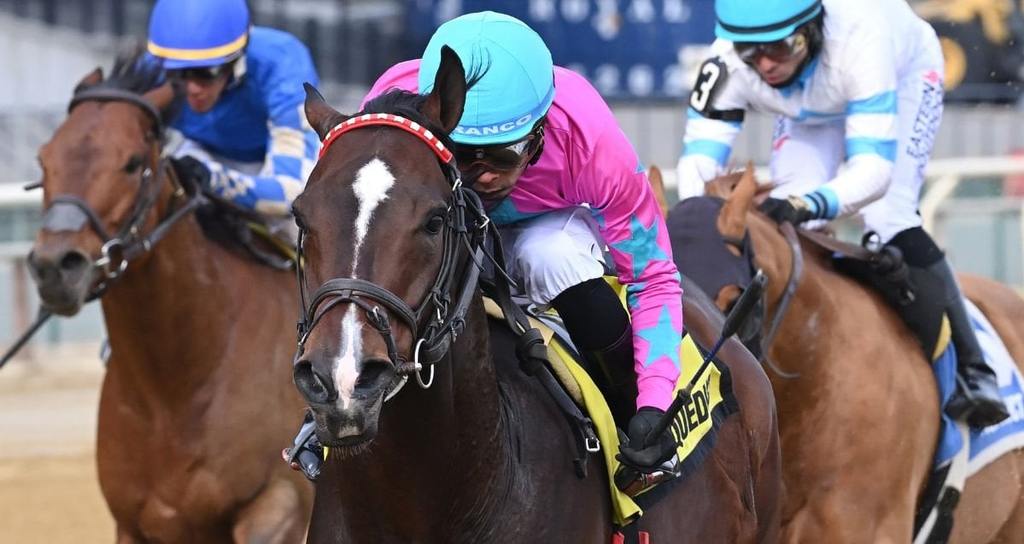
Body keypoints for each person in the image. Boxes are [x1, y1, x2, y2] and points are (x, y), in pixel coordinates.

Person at [287, 11, 685, 479]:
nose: (484, 175)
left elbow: (653, 276)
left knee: (549, 256)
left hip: (546, 233)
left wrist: (654, 401)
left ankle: (627, 412)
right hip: (447, 224)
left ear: (539, 134)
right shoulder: (393, 100)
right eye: (462, 154)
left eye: (503, 155)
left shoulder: (591, 141)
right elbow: (361, 235)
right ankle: (331, 406)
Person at [675, 0, 1008, 427]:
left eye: (780, 47)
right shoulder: (727, 60)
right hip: (810, 104)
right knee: (787, 228)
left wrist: (809, 203)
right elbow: (697, 165)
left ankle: (975, 370)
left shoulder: (860, 44)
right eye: (751, 52)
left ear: (813, 29)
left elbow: (874, 173)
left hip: (902, 75)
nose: (766, 64)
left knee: (887, 219)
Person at [146, 0, 319, 222]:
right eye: (177, 75)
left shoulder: (282, 61)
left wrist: (214, 179)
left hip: (272, 167)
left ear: (236, 60)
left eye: (206, 72)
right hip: (199, 152)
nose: (192, 88)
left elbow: (292, 193)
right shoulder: (151, 70)